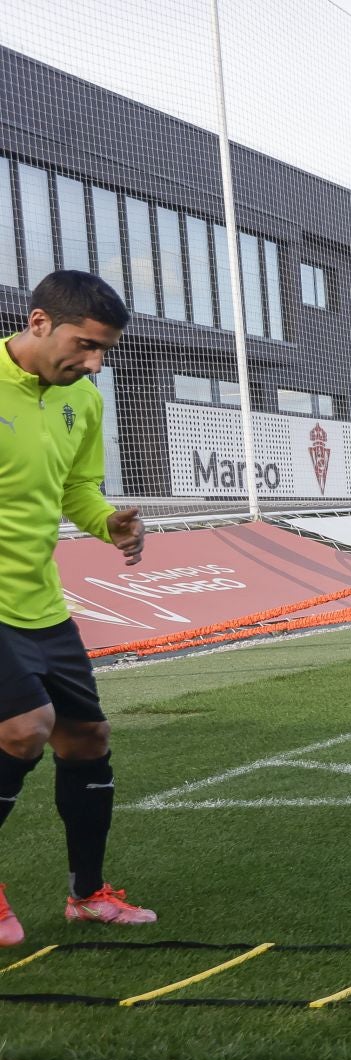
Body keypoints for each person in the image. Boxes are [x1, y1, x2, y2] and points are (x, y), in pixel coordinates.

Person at [0, 271, 154, 945]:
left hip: (39, 603)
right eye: (85, 346)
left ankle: (87, 895)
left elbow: (76, 492)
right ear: (38, 323)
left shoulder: (82, 402)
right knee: (25, 727)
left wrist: (108, 524)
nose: (94, 363)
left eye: (104, 353)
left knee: (85, 739)